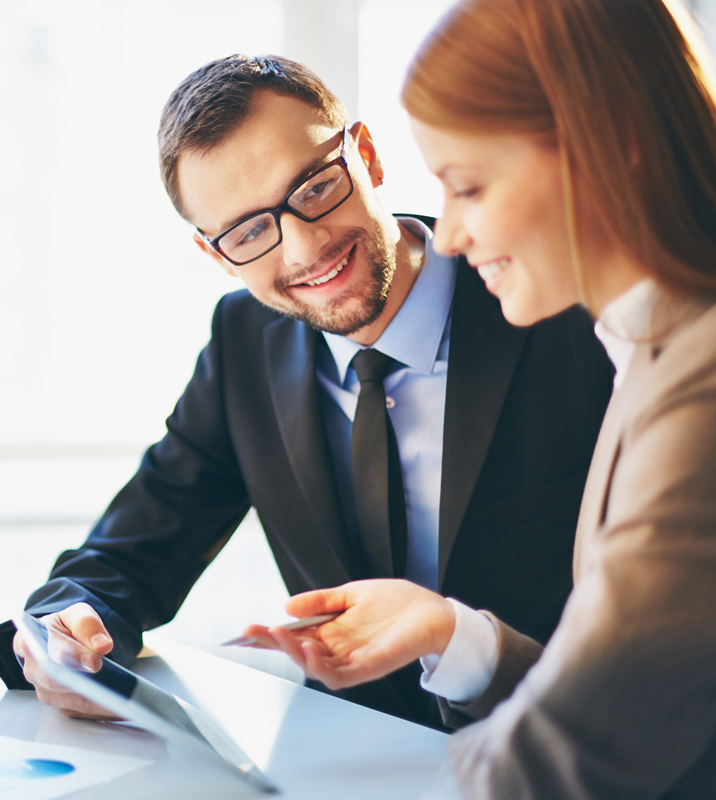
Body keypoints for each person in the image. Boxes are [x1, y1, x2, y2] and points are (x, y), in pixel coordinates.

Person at [0, 54, 613, 728]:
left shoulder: (562, 309)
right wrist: (67, 628)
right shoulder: (243, 343)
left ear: (365, 156)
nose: (304, 248)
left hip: (573, 751)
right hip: (348, 769)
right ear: (217, 255)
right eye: (250, 231)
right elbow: (133, 550)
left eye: (314, 187)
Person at [244, 0, 716, 795]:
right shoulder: (650, 353)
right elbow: (638, 691)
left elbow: (585, 751)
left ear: (614, 149)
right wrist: (455, 635)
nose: (450, 234)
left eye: (467, 187)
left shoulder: (694, 383)